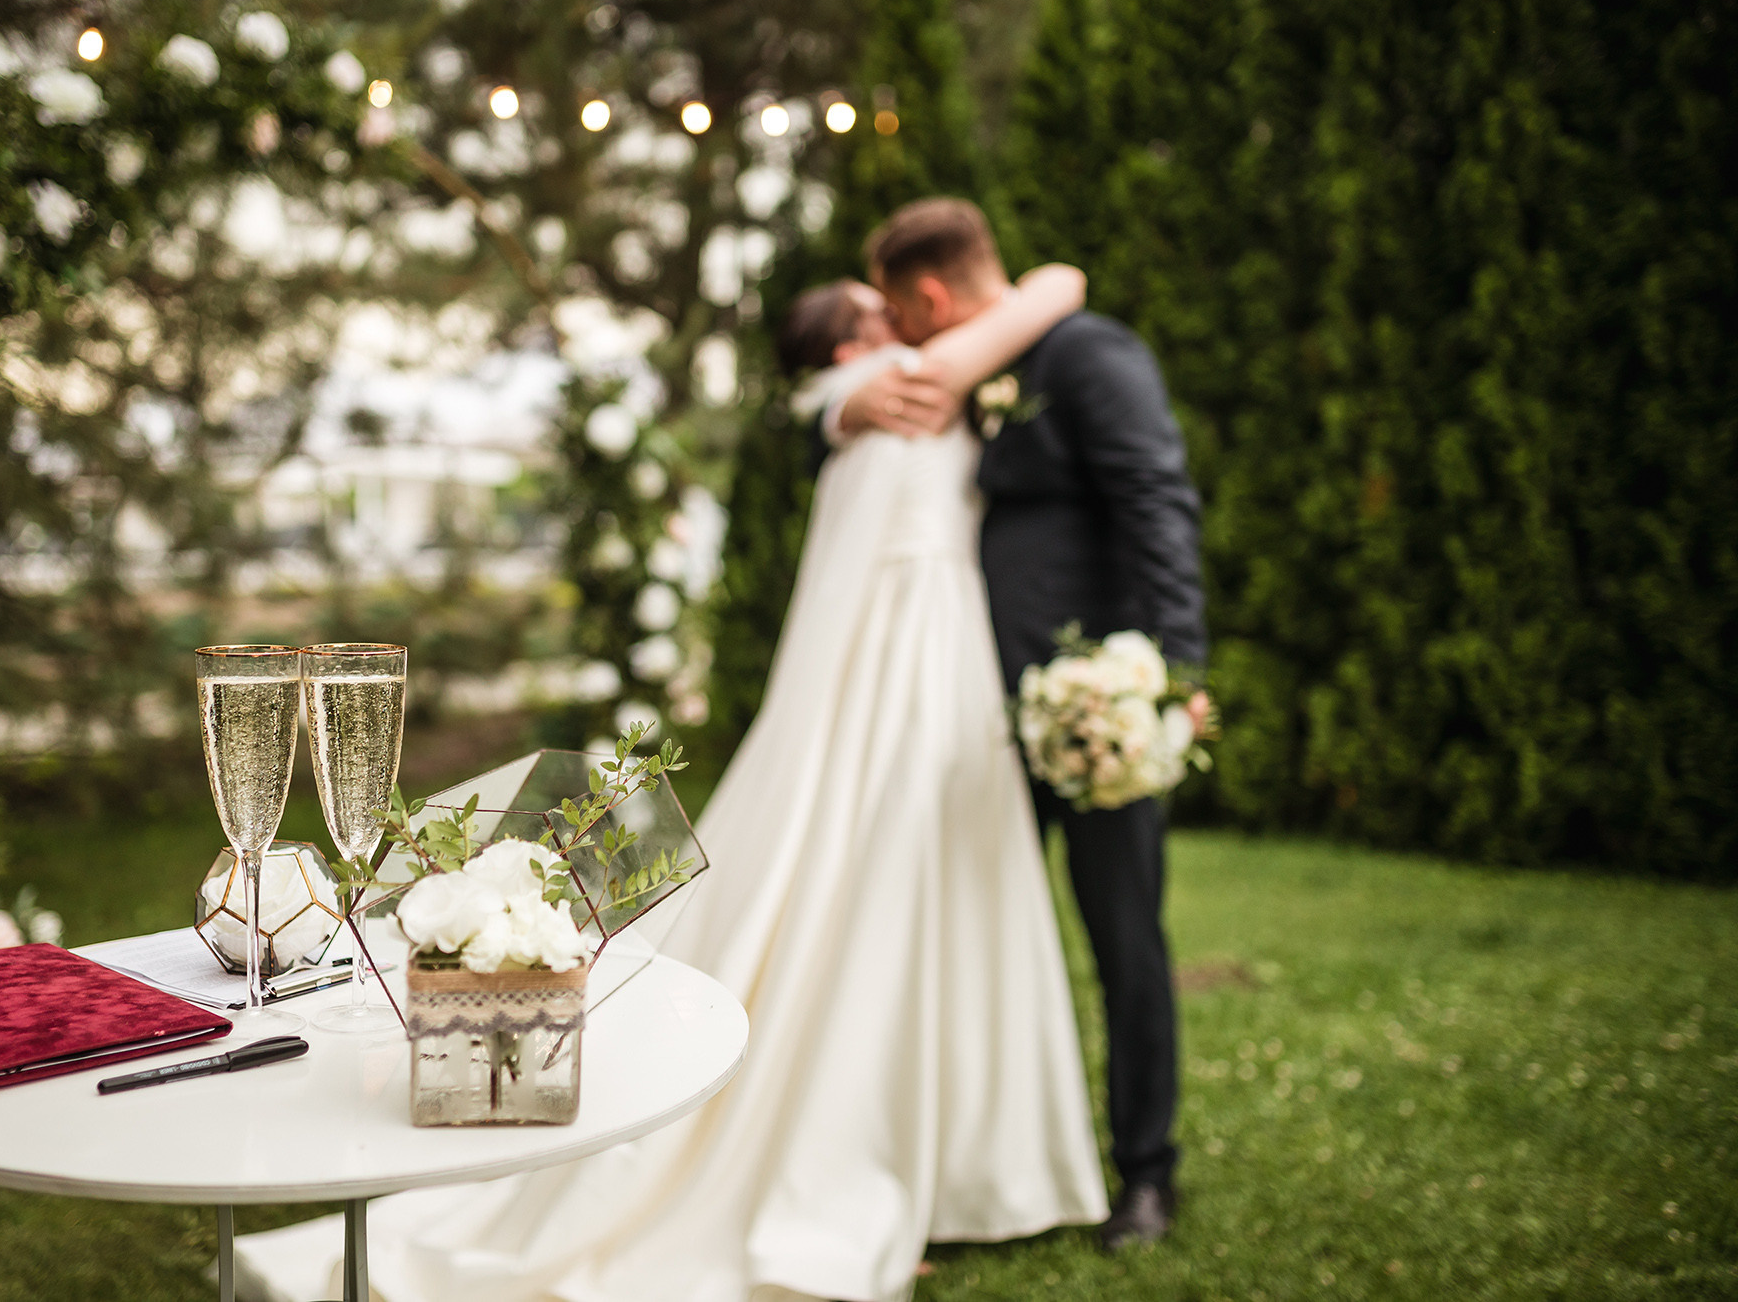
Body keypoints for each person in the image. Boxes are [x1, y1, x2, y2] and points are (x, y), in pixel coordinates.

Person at [233, 264, 1108, 1302]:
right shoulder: (900, 393)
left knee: (929, 899)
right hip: (909, 672)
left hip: (932, 664)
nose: (911, 322)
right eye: (879, 314)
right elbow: (1054, 285)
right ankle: (890, 1165)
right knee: (877, 898)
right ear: (846, 350)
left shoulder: (858, 415)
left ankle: (961, 1164)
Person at [836, 198, 1207, 1250]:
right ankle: (978, 1172)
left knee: (1123, 938)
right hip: (977, 714)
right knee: (980, 939)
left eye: (904, 317)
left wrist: (1167, 674)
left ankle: (1146, 1171)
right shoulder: (975, 374)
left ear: (929, 298)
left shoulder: (1089, 356)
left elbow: (1156, 501)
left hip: (1096, 708)